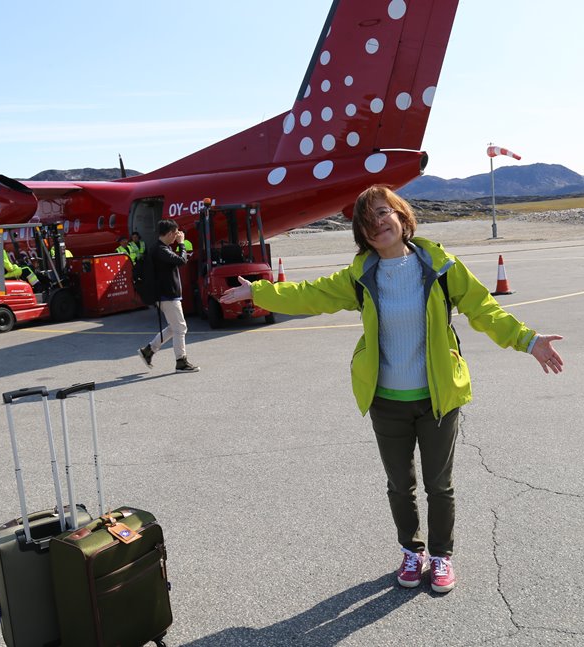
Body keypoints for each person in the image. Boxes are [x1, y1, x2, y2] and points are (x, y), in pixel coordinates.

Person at [219, 185, 564, 593]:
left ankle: (440, 556)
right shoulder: (362, 275)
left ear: (402, 217)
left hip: (438, 399)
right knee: (400, 485)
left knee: (440, 485)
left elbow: (484, 310)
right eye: (367, 222)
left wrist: (528, 340)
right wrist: (259, 291)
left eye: (383, 213)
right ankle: (411, 550)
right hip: (387, 401)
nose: (377, 224)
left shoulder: (440, 266)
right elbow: (311, 295)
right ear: (362, 235)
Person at [137, 219, 200, 373]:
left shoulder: (159, 248)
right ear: (171, 233)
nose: (176, 237)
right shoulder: (161, 250)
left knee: (174, 327)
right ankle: (181, 361)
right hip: (167, 295)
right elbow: (182, 260)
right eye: (175, 234)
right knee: (181, 328)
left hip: (165, 295)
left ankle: (149, 350)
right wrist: (182, 243)